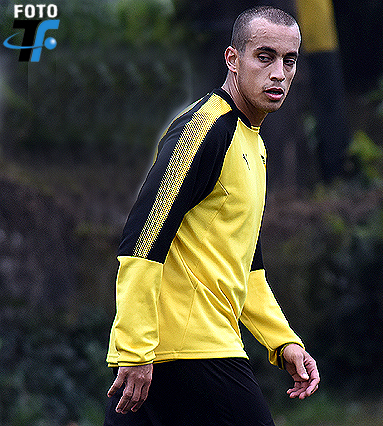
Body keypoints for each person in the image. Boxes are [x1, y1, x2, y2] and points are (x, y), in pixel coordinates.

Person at [103, 6, 319, 426]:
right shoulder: (204, 129)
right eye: (264, 57)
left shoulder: (253, 143)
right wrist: (135, 349)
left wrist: (283, 342)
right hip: (188, 352)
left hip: (178, 353)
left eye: (289, 61)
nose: (279, 73)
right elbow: (143, 238)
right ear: (232, 59)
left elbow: (246, 267)